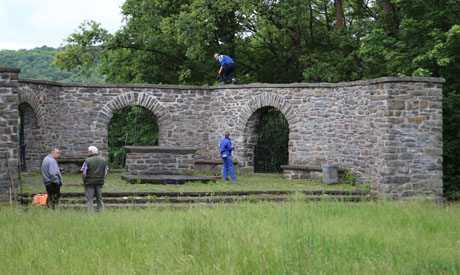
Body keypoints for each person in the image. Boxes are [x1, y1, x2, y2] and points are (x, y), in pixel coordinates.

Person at [80, 146, 108, 212]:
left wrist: (84, 180)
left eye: (88, 151)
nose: (88, 153)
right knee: (99, 198)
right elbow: (106, 172)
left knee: (89, 199)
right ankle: (101, 213)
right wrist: (101, 178)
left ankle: (90, 214)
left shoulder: (87, 160)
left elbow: (84, 173)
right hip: (99, 182)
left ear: (90, 152)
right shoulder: (103, 160)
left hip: (89, 183)